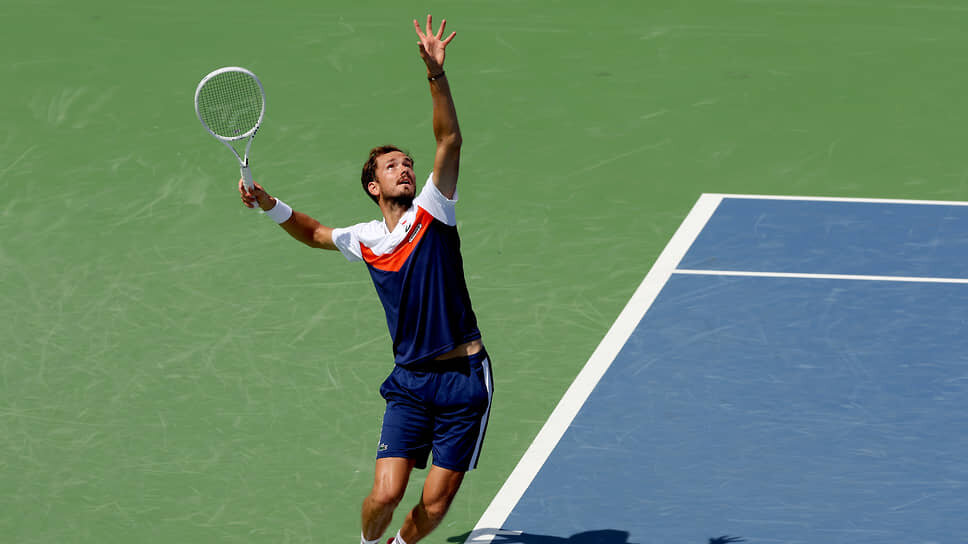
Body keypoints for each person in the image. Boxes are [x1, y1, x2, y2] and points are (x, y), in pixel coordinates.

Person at [237, 15, 493, 544]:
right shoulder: (368, 239)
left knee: (435, 504)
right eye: (392, 166)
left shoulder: (434, 210)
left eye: (408, 163)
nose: (405, 169)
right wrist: (267, 204)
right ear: (373, 186)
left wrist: (435, 76)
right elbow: (312, 233)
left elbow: (450, 138)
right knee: (384, 495)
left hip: (465, 379)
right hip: (411, 382)